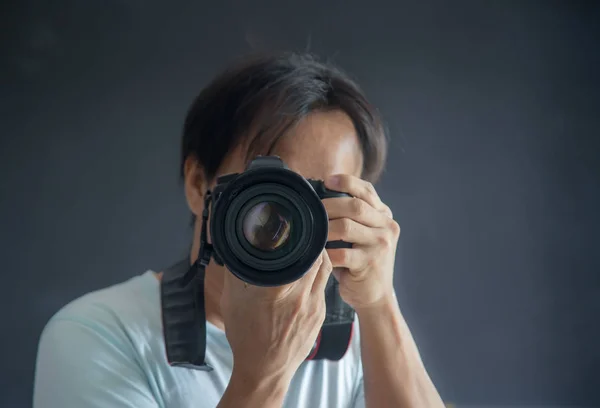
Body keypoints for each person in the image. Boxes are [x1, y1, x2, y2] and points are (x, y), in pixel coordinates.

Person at [33, 52, 445, 408]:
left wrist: (379, 305)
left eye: (318, 196)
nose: (289, 219)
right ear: (199, 185)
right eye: (270, 190)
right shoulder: (98, 335)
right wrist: (261, 375)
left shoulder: (359, 341)